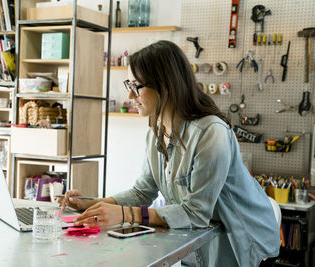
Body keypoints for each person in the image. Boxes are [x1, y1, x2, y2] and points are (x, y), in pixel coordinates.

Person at [58, 40, 280, 267]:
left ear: (165, 85)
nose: (131, 97)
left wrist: (125, 215)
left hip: (246, 243)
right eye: (129, 85)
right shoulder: (156, 131)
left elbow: (196, 213)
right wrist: (91, 206)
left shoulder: (211, 133)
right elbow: (142, 191)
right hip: (204, 242)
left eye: (137, 86)